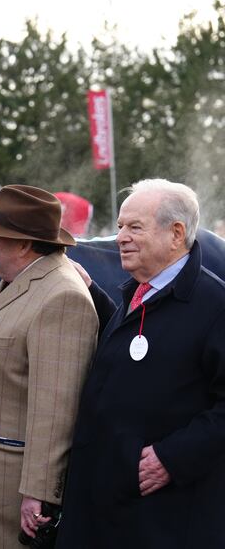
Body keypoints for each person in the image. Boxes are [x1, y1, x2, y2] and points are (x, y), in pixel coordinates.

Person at [57, 179, 225, 548]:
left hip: (162, 520)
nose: (120, 237)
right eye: (119, 227)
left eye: (134, 227)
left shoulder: (214, 305)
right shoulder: (137, 292)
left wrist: (173, 458)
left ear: (176, 233)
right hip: (106, 509)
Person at [0, 185, 98, 549]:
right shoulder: (18, 277)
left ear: (23, 244)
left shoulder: (62, 296)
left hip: (13, 494)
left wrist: (39, 494)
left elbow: (56, 410)